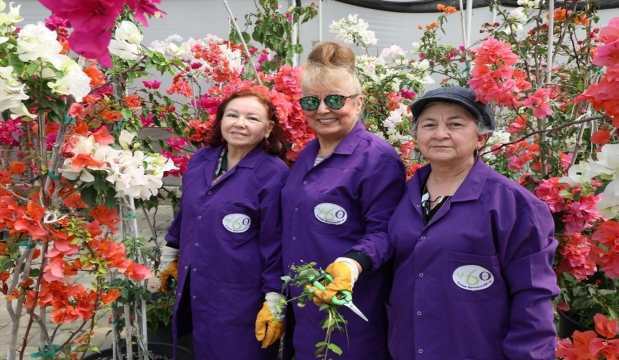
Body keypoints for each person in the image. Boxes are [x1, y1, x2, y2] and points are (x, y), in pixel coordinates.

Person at [386, 86, 559, 359]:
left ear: (481, 137)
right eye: (429, 125)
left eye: (455, 124)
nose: (440, 134)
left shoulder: (514, 206)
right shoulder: (403, 196)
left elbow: (532, 299)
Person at [281, 41, 406, 360]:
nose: (322, 109)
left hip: (348, 305)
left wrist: (351, 264)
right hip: (304, 305)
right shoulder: (309, 153)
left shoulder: (376, 158)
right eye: (311, 101)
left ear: (359, 102)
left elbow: (385, 232)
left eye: (335, 99)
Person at [158, 89, 289, 359]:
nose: (240, 123)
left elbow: (276, 242)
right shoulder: (202, 159)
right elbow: (188, 211)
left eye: (252, 118)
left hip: (241, 297)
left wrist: (275, 298)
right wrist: (170, 251)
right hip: (198, 287)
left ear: (268, 128)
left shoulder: (273, 174)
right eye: (232, 115)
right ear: (221, 120)